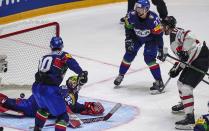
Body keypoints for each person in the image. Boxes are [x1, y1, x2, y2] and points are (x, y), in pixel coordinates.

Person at [161, 16, 209, 130]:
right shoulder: (174, 34)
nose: (162, 28)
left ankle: (190, 119)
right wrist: (176, 68)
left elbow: (190, 37)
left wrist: (183, 54)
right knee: (180, 83)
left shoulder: (174, 34)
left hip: (200, 59)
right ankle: (186, 104)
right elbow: (184, 57)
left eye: (163, 26)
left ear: (168, 26)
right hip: (196, 59)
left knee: (186, 87)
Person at [32, 36, 88, 131]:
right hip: (49, 89)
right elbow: (72, 64)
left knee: (44, 109)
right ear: (62, 46)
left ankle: (37, 129)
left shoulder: (44, 57)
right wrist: (81, 73)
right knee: (63, 117)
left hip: (36, 87)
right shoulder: (63, 55)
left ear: (51, 46)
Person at [114, 0, 166, 95]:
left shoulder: (153, 19)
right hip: (136, 37)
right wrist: (128, 39)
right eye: (137, 8)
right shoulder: (131, 15)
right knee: (129, 55)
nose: (138, 11)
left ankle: (159, 81)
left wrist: (161, 49)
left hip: (151, 40)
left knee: (149, 59)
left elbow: (158, 35)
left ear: (146, 9)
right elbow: (128, 27)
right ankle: (120, 75)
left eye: (140, 9)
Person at [0, 76, 104, 117]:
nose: (79, 87)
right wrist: (68, 114)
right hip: (35, 105)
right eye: (78, 85)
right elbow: (61, 103)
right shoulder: (63, 90)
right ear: (73, 85)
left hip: (41, 104)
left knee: (16, 104)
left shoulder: (72, 95)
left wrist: (88, 106)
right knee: (12, 104)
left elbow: (73, 106)